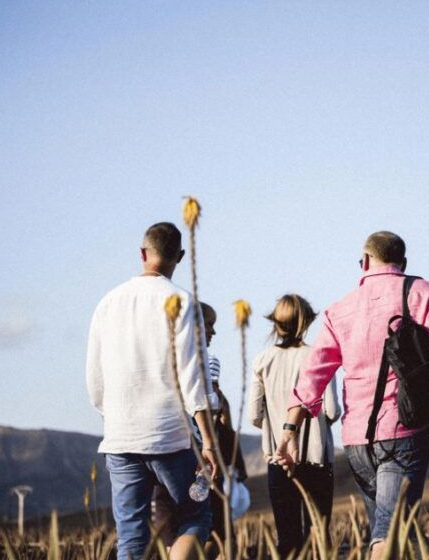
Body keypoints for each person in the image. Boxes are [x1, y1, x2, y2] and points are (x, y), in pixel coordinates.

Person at [275, 231, 429, 559]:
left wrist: (289, 429)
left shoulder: (340, 309)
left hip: (357, 444)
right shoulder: (425, 294)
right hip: (404, 435)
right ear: (403, 262)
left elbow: (313, 374)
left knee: (385, 534)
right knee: (388, 536)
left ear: (365, 261)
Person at [86, 222, 218, 560]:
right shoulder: (183, 302)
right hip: (169, 436)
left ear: (142, 253)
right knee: (195, 517)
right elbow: (193, 378)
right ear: (180, 256)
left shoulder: (107, 302)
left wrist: (115, 417)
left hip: (120, 436)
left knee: (131, 536)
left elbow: (95, 380)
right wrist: (207, 440)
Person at [249, 294, 340, 557]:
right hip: (316, 458)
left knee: (287, 536)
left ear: (276, 323)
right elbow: (332, 410)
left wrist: (277, 426)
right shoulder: (318, 357)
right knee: (318, 535)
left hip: (279, 458)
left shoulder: (262, 360)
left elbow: (254, 415)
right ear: (306, 322)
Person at [151, 302, 246, 549]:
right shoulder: (208, 359)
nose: (213, 331)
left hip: (166, 442)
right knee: (207, 518)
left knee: (167, 515)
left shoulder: (165, 359)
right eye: (209, 325)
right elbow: (208, 402)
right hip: (198, 447)